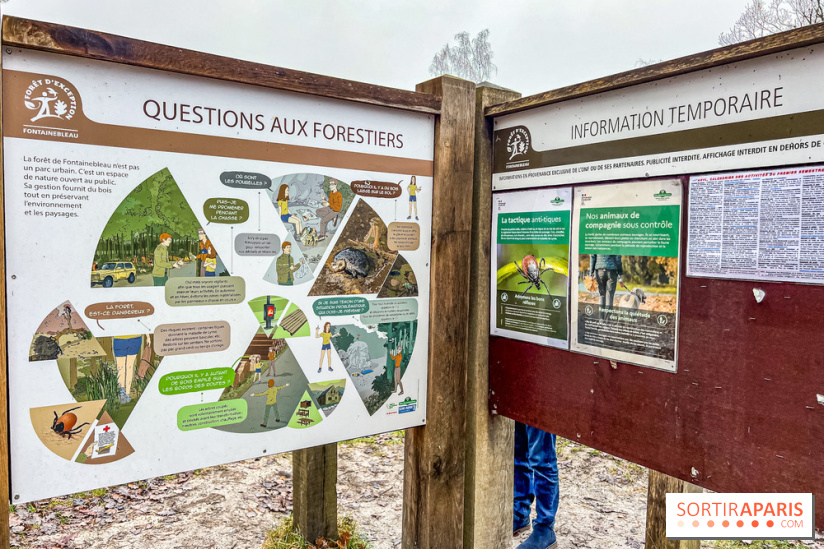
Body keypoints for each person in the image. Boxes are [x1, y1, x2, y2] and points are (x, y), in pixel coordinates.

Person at [514, 422, 559, 549]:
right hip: (521, 401)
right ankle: (519, 513)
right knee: (518, 452)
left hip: (546, 403)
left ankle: (545, 530)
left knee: (543, 460)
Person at [589, 254, 623, 320]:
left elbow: (592, 256)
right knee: (609, 296)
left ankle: (601, 320)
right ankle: (608, 321)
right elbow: (618, 257)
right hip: (612, 271)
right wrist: (620, 273)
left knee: (602, 295)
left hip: (599, 271)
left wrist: (591, 273)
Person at [113, 335, 143, 404]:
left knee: (128, 367)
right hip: (121, 338)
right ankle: (123, 392)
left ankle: (126, 393)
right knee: (122, 368)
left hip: (134, 338)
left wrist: (147, 336)